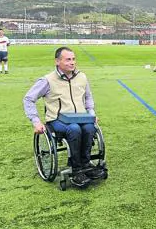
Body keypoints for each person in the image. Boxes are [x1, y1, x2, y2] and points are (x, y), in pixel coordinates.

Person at [23, 47, 105, 188]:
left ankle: (86, 164)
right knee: (74, 129)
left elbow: (88, 97)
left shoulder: (82, 77)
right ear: (57, 61)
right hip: (57, 120)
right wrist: (36, 121)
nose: (72, 63)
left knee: (90, 127)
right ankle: (76, 169)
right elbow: (28, 99)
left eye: (73, 59)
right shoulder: (47, 80)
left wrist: (91, 114)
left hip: (80, 117)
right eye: (68, 59)